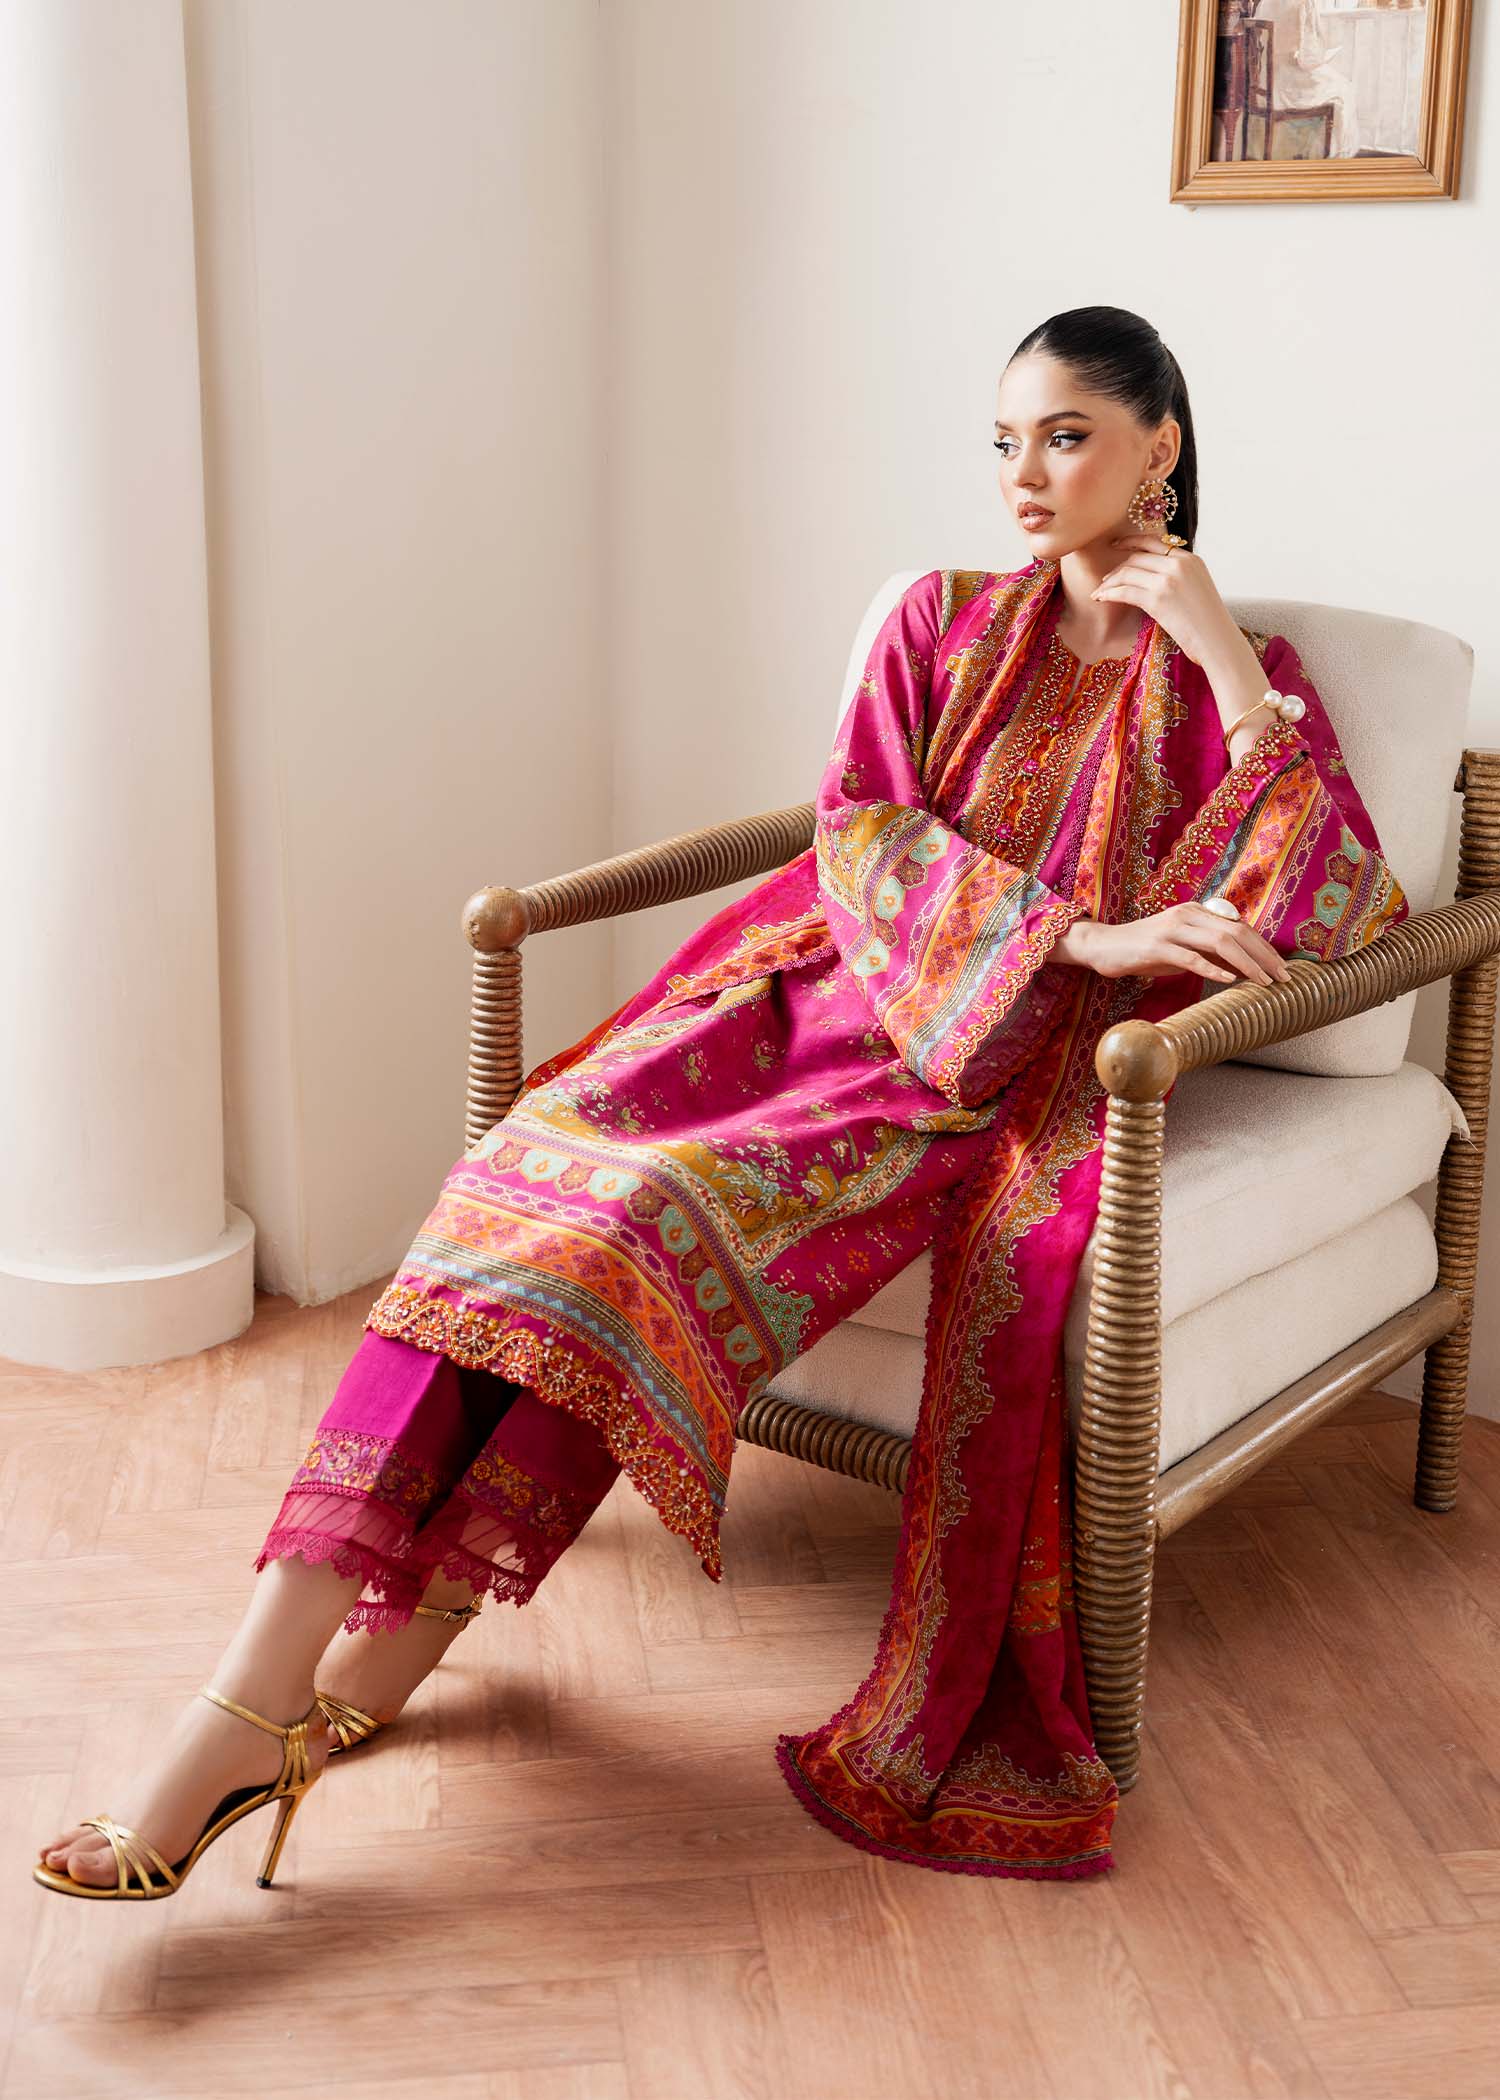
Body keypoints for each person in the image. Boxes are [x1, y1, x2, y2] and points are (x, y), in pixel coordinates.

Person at [35, 304, 1409, 1897]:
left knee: (628, 1226)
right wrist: (1075, 932)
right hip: (806, 1001)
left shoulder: (1243, 684)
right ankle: (269, 1689)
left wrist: (1222, 654)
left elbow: (1340, 907)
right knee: (517, 1191)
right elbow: (860, 830)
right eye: (1004, 441)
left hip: (982, 1076)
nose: (1024, 475)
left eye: (1065, 437)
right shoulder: (944, 619)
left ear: (1158, 446)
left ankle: (313, 1689)